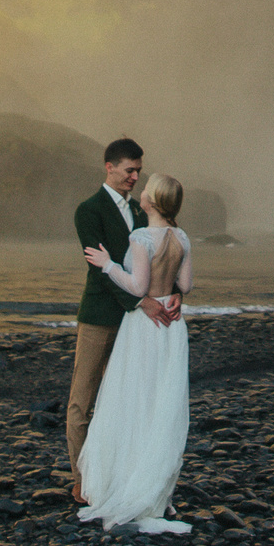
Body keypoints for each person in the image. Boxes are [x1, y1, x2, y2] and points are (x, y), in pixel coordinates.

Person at [76, 171, 195, 533]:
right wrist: (173, 293)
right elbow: (186, 284)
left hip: (145, 326)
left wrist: (108, 265)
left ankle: (123, 481)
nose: (139, 188)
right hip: (172, 327)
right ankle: (155, 486)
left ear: (153, 201)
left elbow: (138, 285)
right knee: (161, 403)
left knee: (132, 399)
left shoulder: (142, 236)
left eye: (146, 188)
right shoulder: (182, 237)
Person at [67, 138, 178, 501]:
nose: (134, 177)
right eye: (129, 170)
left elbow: (160, 254)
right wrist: (142, 301)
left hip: (135, 325)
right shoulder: (89, 210)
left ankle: (116, 474)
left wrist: (173, 291)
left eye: (138, 172)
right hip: (100, 316)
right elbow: (99, 269)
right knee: (82, 401)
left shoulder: (141, 213)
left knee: (122, 400)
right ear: (109, 167)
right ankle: (82, 479)